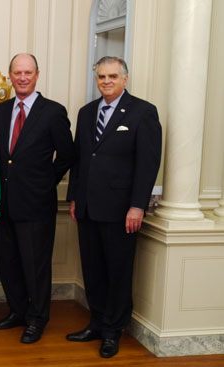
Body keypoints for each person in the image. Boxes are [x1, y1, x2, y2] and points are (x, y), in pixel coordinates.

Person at [66, 56, 162, 358]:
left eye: (112, 77)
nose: (106, 82)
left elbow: (148, 165)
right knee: (93, 270)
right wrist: (74, 197)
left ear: (125, 78)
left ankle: (112, 331)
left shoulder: (143, 112)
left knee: (117, 271)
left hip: (122, 211)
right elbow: (80, 160)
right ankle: (96, 322)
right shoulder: (87, 112)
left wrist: (137, 206)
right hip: (87, 207)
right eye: (101, 77)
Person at [0, 53, 75, 344]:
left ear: (37, 75)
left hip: (37, 203)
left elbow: (67, 154)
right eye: (17, 72)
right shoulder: (0, 112)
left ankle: (37, 319)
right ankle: (18, 311)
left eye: (28, 72)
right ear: (10, 75)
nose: (22, 77)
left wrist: (45, 182)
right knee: (9, 262)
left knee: (35, 265)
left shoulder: (53, 111)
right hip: (5, 203)